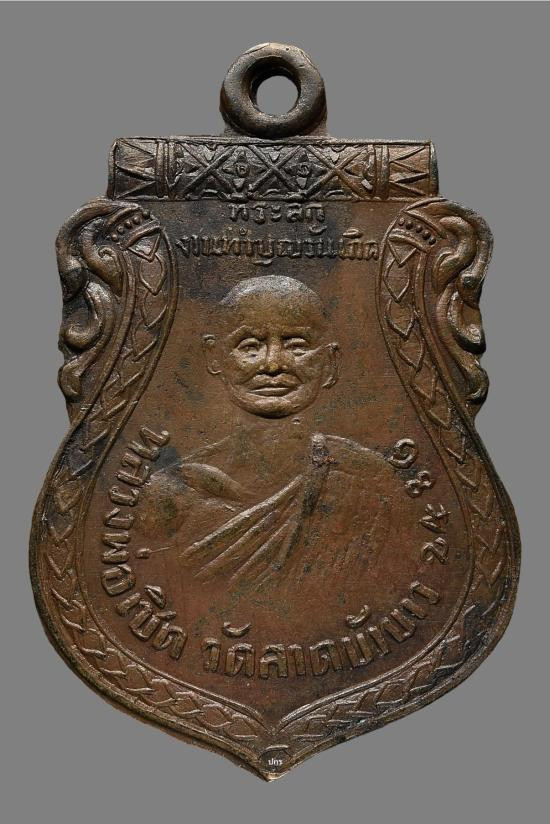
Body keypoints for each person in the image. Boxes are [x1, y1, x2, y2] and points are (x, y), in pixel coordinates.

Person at [140, 275, 402, 598]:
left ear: (330, 362)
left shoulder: (369, 482)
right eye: (250, 346)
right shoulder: (170, 493)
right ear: (215, 357)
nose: (273, 364)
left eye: (297, 345)